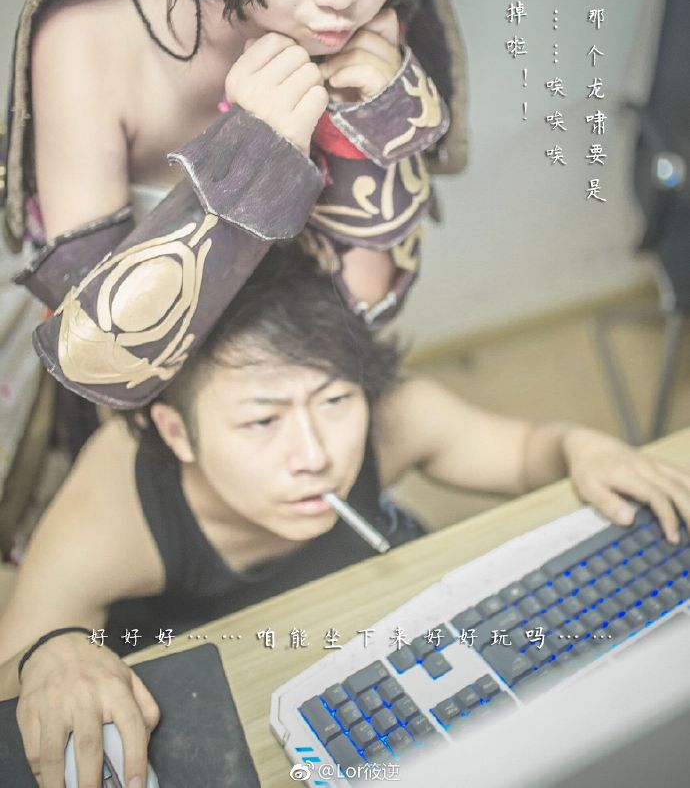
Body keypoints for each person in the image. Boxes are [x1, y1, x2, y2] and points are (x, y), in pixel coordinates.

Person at [9, 247, 690, 788]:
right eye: (263, 419)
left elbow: (523, 452)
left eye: (335, 400)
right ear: (176, 432)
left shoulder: (388, 414)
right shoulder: (119, 498)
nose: (315, 455)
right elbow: (14, 662)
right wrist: (53, 651)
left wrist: (581, 446)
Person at [5, 0, 470, 396]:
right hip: (149, 419)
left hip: (303, 392)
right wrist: (253, 157)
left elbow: (364, 303)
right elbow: (94, 363)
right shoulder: (85, 43)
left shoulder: (364, 35)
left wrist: (363, 126)